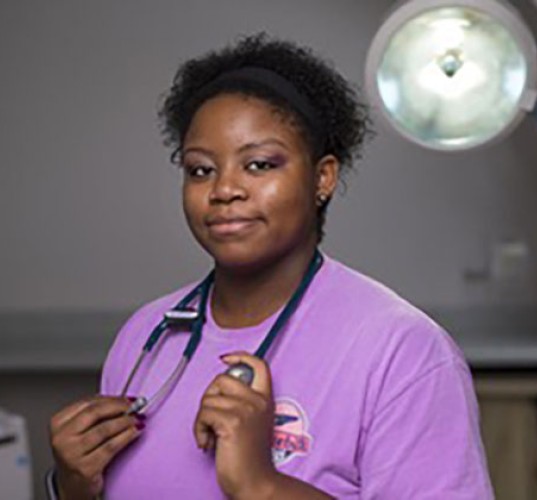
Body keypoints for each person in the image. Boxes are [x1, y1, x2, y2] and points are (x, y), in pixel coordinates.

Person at [48, 33, 493, 499]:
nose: (225, 190)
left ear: (323, 177)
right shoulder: (148, 335)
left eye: (258, 165)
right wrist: (72, 487)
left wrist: (260, 485)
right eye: (201, 169)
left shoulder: (402, 352)